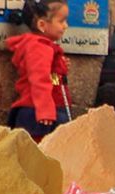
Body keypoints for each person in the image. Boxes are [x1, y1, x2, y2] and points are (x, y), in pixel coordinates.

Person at [6, 0, 71, 142]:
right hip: (39, 114)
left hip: (46, 110)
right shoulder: (39, 47)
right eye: (61, 21)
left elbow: (51, 77)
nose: (65, 26)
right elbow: (39, 78)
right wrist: (45, 110)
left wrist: (59, 68)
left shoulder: (46, 47)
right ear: (42, 25)